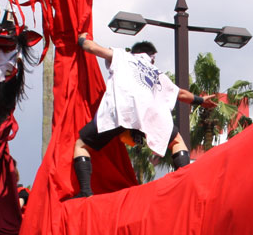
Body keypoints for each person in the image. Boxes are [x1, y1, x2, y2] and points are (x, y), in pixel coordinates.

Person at [70, 36, 216, 198]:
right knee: (177, 142)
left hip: (122, 110)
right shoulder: (157, 73)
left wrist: (82, 39)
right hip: (150, 115)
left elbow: (92, 48)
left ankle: (85, 192)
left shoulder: (122, 55)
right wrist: (201, 100)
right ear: (151, 58)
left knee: (81, 145)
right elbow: (180, 93)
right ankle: (185, 184)